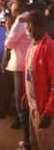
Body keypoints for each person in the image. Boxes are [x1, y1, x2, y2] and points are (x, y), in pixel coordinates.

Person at [23, 10, 54, 150]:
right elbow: (30, 75)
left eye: (29, 24)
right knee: (35, 144)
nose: (26, 28)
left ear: (40, 26)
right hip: (33, 107)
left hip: (44, 110)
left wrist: (49, 111)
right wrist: (26, 96)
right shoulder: (33, 45)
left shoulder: (50, 48)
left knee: (46, 144)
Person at [5, 0, 32, 150]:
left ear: (20, 6)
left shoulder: (19, 22)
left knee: (21, 106)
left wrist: (8, 29)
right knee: (26, 104)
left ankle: (27, 143)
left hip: (20, 69)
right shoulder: (29, 18)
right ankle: (29, 140)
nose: (12, 8)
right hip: (27, 68)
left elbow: (9, 45)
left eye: (13, 4)